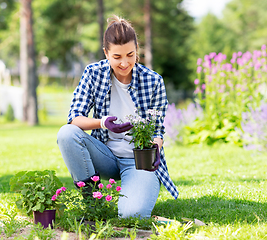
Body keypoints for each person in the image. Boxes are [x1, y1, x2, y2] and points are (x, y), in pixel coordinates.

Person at [57, 15, 178, 219]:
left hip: (138, 160)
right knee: (67, 134)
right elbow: (74, 118)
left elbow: (157, 130)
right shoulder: (93, 73)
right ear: (106, 53)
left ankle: (135, 194)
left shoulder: (153, 81)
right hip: (104, 154)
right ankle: (92, 205)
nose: (125, 63)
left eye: (130, 54)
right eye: (117, 57)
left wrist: (156, 147)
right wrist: (102, 123)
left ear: (137, 48)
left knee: (133, 215)